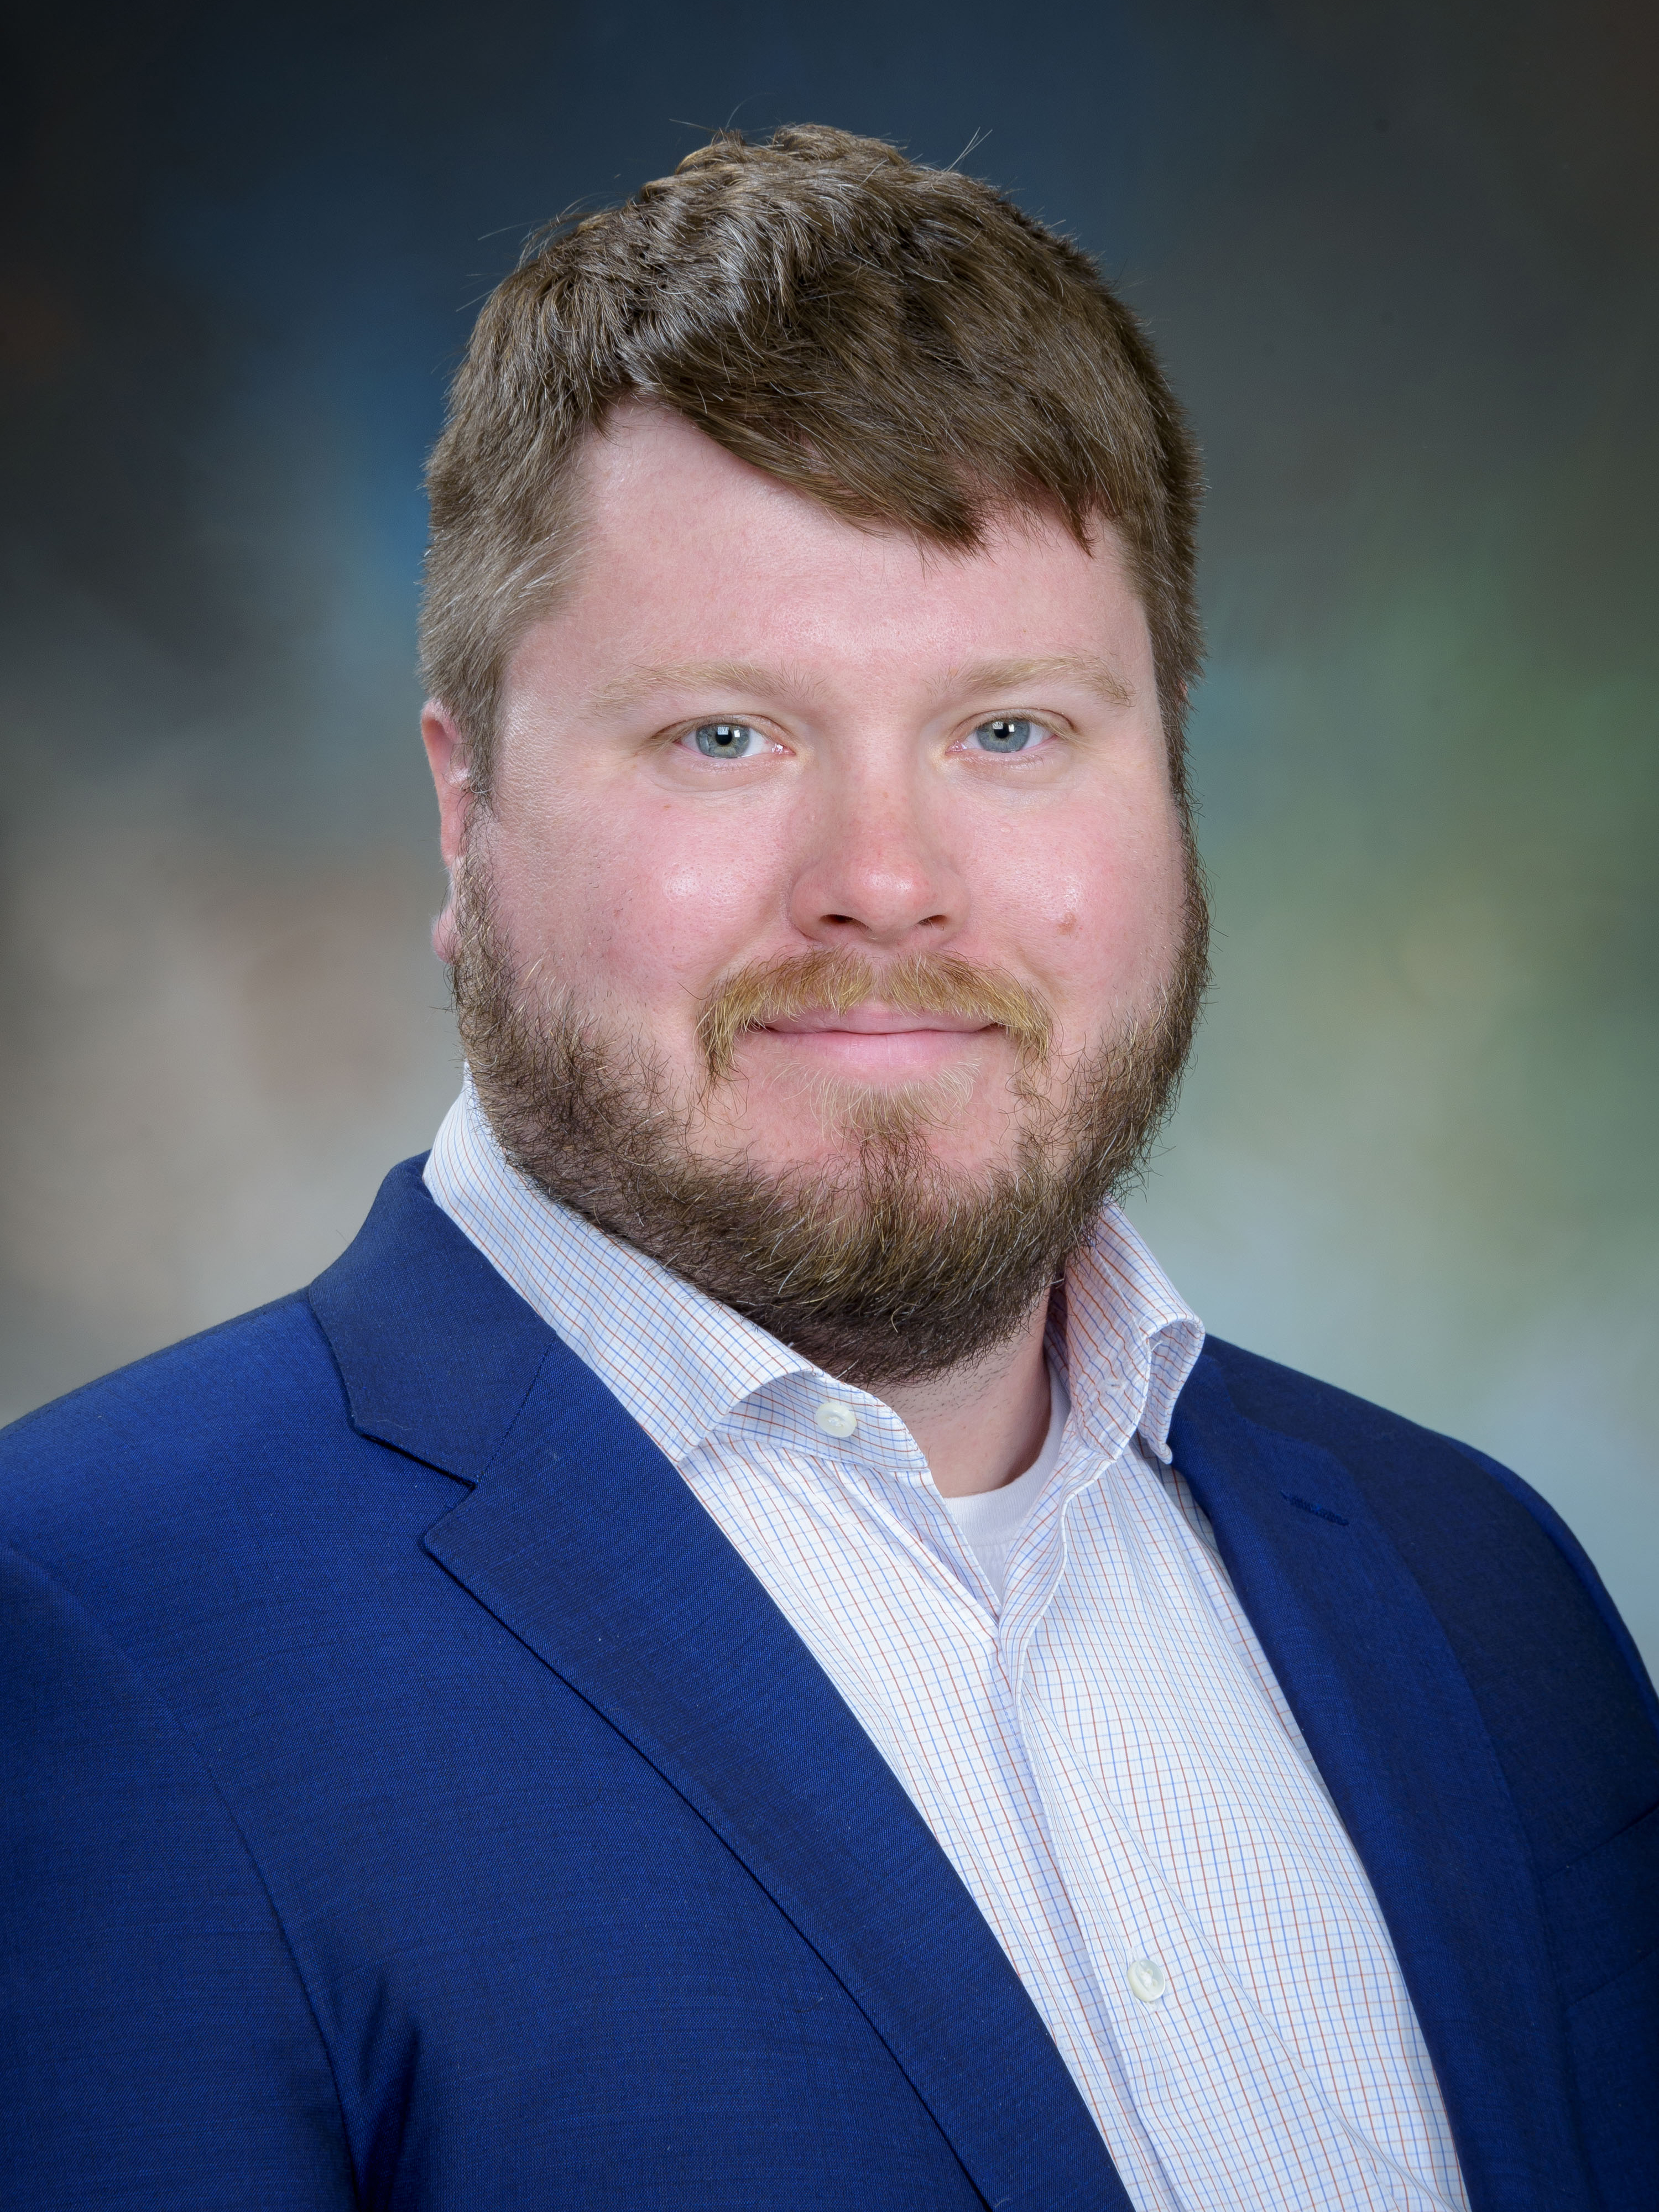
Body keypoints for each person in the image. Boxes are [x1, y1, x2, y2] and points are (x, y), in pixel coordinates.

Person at [2, 126, 1653, 2212]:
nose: (885, 887)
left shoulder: (1478, 1586)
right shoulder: (85, 1633)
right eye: (724, 737)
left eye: (1012, 734)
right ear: (465, 806)